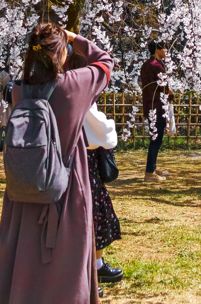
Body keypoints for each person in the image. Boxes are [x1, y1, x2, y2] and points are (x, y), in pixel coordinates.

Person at [0, 23, 112, 304]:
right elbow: (105, 62)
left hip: (24, 187)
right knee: (66, 258)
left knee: (25, 253)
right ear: (61, 53)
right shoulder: (74, 86)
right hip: (66, 187)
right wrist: (76, 39)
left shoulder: (19, 91)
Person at [84, 103, 124, 287]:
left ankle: (96, 265)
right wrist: (109, 123)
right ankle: (88, 269)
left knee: (94, 212)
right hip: (83, 162)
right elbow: (103, 133)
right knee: (92, 213)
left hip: (75, 161)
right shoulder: (80, 90)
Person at [139, 40, 169, 182]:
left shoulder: (145, 65)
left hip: (149, 105)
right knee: (156, 140)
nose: (166, 52)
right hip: (157, 106)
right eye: (164, 49)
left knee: (154, 137)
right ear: (157, 49)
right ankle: (149, 173)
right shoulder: (156, 66)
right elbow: (164, 86)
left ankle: (153, 166)